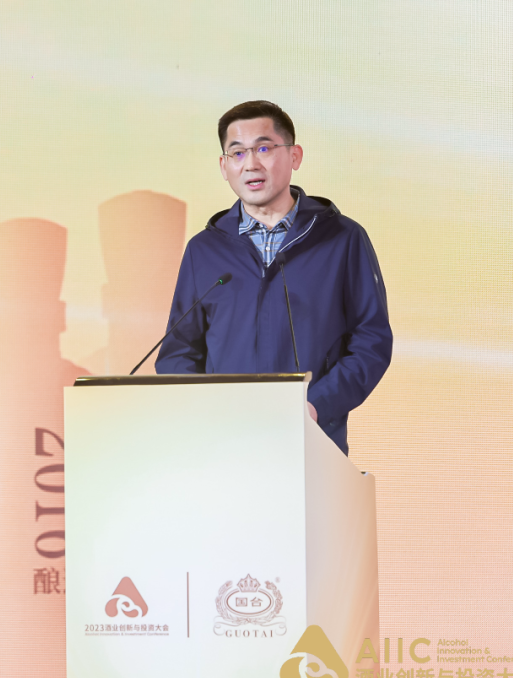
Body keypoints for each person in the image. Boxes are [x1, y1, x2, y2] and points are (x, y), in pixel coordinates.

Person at [155, 100, 392, 454]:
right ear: (224, 166)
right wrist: (206, 411)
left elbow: (371, 341)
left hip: (311, 441)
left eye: (264, 148)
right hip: (223, 446)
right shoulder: (204, 250)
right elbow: (178, 352)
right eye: (237, 153)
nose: (251, 163)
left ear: (295, 156)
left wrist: (316, 405)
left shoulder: (342, 239)